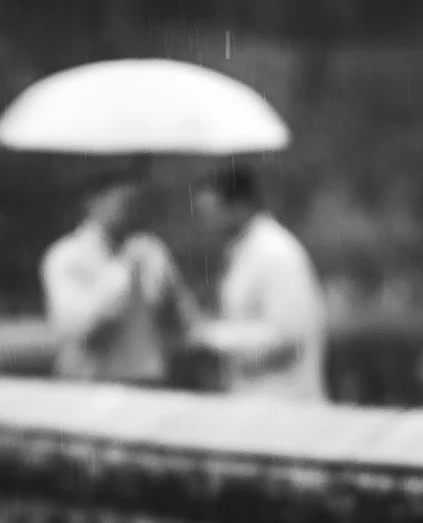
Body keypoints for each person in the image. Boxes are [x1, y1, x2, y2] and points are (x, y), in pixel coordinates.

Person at [195, 164, 328, 401]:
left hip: (285, 408)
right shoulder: (242, 252)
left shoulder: (275, 253)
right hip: (252, 404)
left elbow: (288, 339)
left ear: (238, 206)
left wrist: (211, 338)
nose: (207, 221)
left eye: (211, 210)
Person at [39, 179, 191, 385]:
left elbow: (183, 321)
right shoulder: (67, 257)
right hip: (90, 384)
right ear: (92, 202)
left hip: (148, 382)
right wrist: (123, 274)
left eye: (134, 200)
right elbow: (81, 331)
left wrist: (168, 298)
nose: (130, 208)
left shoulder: (152, 252)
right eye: (120, 199)